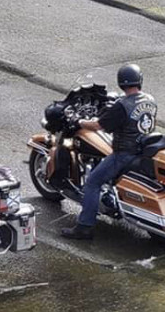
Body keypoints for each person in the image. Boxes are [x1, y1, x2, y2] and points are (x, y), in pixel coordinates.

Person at [60, 64, 158, 240]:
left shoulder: (122, 106)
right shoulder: (150, 99)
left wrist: (80, 121)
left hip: (124, 154)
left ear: (121, 83)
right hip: (143, 149)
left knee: (92, 182)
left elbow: (99, 125)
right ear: (140, 80)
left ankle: (84, 227)